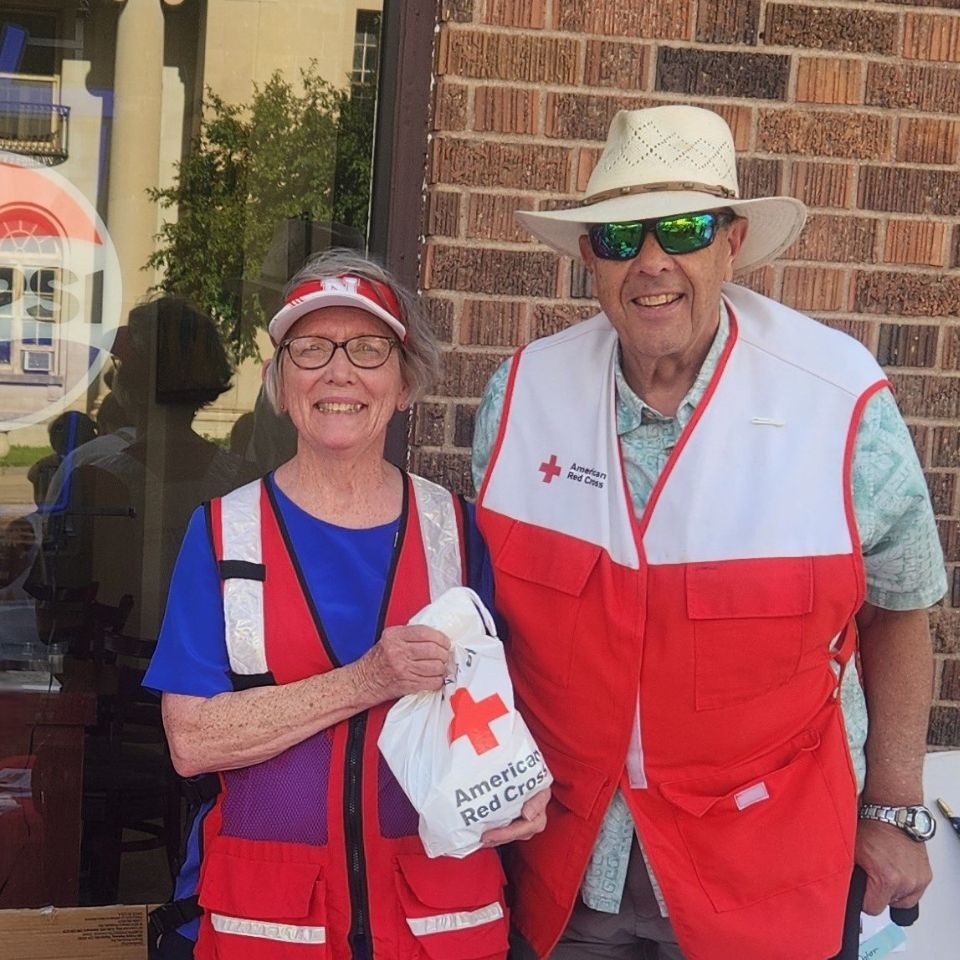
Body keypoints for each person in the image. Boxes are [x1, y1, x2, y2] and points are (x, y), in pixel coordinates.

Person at [471, 105, 948, 960]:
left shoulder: (839, 399)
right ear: (590, 257)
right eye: (620, 237)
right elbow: (491, 632)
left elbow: (901, 609)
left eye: (683, 228)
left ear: (730, 242)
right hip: (566, 875)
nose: (652, 262)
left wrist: (896, 804)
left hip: (769, 879)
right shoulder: (518, 399)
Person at [143, 249, 548, 960]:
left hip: (438, 919)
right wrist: (370, 679)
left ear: (403, 383)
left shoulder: (461, 531)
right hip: (269, 926)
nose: (339, 371)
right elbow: (193, 742)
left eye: (368, 348)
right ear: (279, 383)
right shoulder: (224, 533)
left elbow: (524, 702)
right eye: (310, 348)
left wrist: (530, 785)